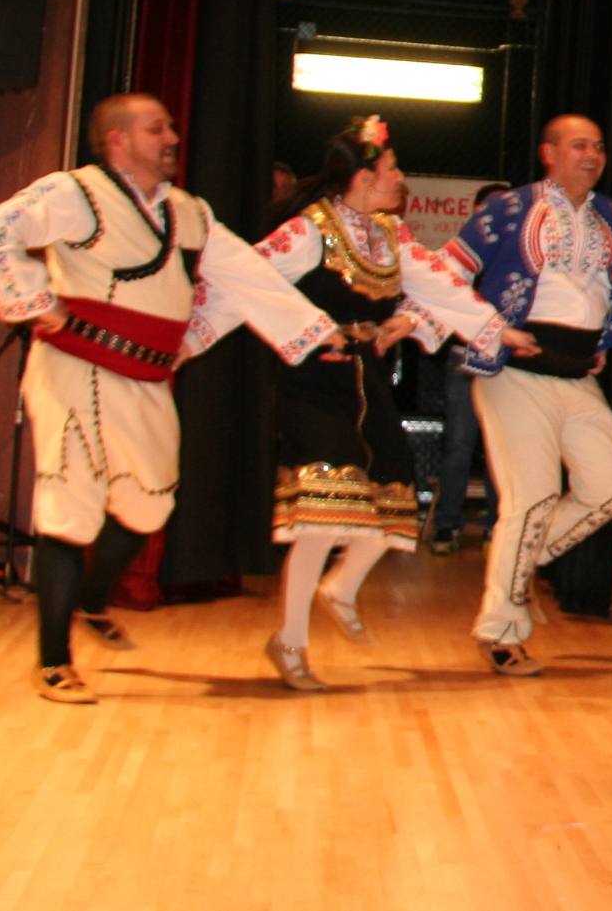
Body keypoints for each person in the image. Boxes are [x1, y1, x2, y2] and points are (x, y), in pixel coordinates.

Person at [0, 93, 341, 703]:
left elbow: (245, 274)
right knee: (71, 505)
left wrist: (316, 331)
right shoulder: (76, 193)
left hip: (146, 376)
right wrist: (35, 301)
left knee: (150, 505)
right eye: (156, 129)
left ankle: (91, 598)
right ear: (118, 140)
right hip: (75, 368)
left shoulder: (186, 211)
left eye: (170, 127)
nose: (172, 138)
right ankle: (54, 661)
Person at [203, 117, 536, 689]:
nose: (400, 177)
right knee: (323, 513)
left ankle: (341, 587)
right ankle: (290, 641)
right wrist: (198, 336)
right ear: (362, 177)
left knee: (395, 493)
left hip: (369, 380)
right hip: (314, 379)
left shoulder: (390, 234)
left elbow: (440, 286)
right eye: (392, 168)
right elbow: (248, 279)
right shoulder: (310, 230)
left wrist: (496, 330)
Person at [443, 115, 612, 676]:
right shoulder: (509, 209)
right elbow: (446, 271)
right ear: (549, 153)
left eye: (599, 146)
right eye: (579, 145)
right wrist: (485, 327)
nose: (592, 155)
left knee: (611, 488)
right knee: (533, 499)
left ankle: (511, 569)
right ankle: (500, 631)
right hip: (516, 373)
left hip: (578, 376)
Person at [430, 180, 510, 556]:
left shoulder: (516, 258)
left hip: (504, 365)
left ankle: (498, 524)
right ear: (476, 213)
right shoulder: (462, 256)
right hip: (464, 358)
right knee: (459, 446)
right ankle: (447, 525)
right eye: (489, 209)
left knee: (500, 447)